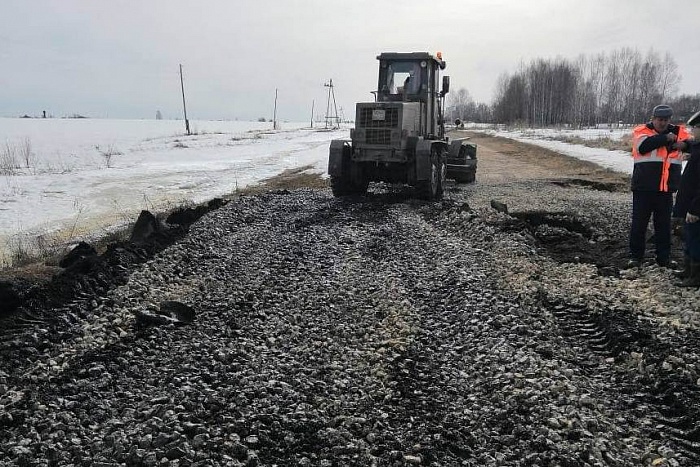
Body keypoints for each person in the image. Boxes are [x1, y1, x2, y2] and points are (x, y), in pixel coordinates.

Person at [627, 104, 692, 268]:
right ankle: (635, 257)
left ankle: (664, 259)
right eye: (659, 120)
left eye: (665, 120)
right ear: (653, 119)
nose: (662, 123)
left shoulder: (679, 132)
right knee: (639, 224)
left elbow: (693, 143)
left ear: (670, 120)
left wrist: (684, 145)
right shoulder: (642, 131)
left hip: (666, 189)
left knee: (663, 226)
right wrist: (665, 139)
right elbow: (643, 147)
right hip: (644, 188)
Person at [671, 110, 700, 285]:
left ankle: (696, 276)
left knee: (696, 239)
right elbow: (692, 145)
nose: (692, 132)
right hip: (689, 202)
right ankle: (688, 269)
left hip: (695, 206)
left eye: (695, 128)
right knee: (689, 237)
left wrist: (696, 209)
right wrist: (685, 145)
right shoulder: (697, 146)